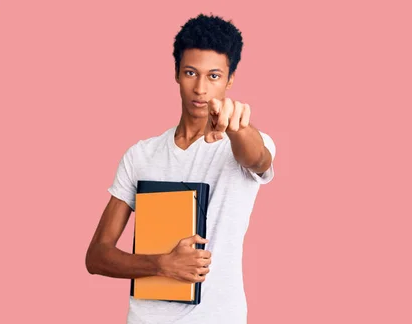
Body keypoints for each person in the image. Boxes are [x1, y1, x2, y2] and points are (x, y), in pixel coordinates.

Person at [85, 13, 276, 324]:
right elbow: (96, 256)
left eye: (214, 76)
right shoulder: (140, 155)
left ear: (230, 80)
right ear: (176, 74)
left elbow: (258, 159)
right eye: (191, 72)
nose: (200, 88)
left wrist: (236, 127)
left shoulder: (244, 143)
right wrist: (161, 264)